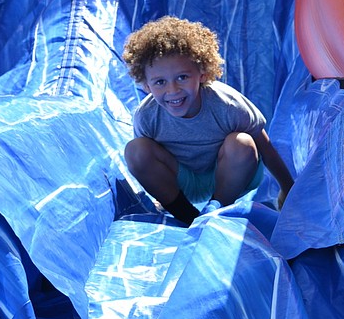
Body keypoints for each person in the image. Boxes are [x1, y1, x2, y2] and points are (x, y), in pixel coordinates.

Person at [122, 16, 294, 226]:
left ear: (202, 73)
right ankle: (187, 216)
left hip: (231, 175)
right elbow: (147, 163)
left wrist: (288, 188)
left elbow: (263, 145)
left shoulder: (226, 104)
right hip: (183, 180)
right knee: (135, 150)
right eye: (160, 82)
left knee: (241, 142)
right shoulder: (147, 116)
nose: (173, 90)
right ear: (146, 86)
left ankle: (216, 209)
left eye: (182, 77)